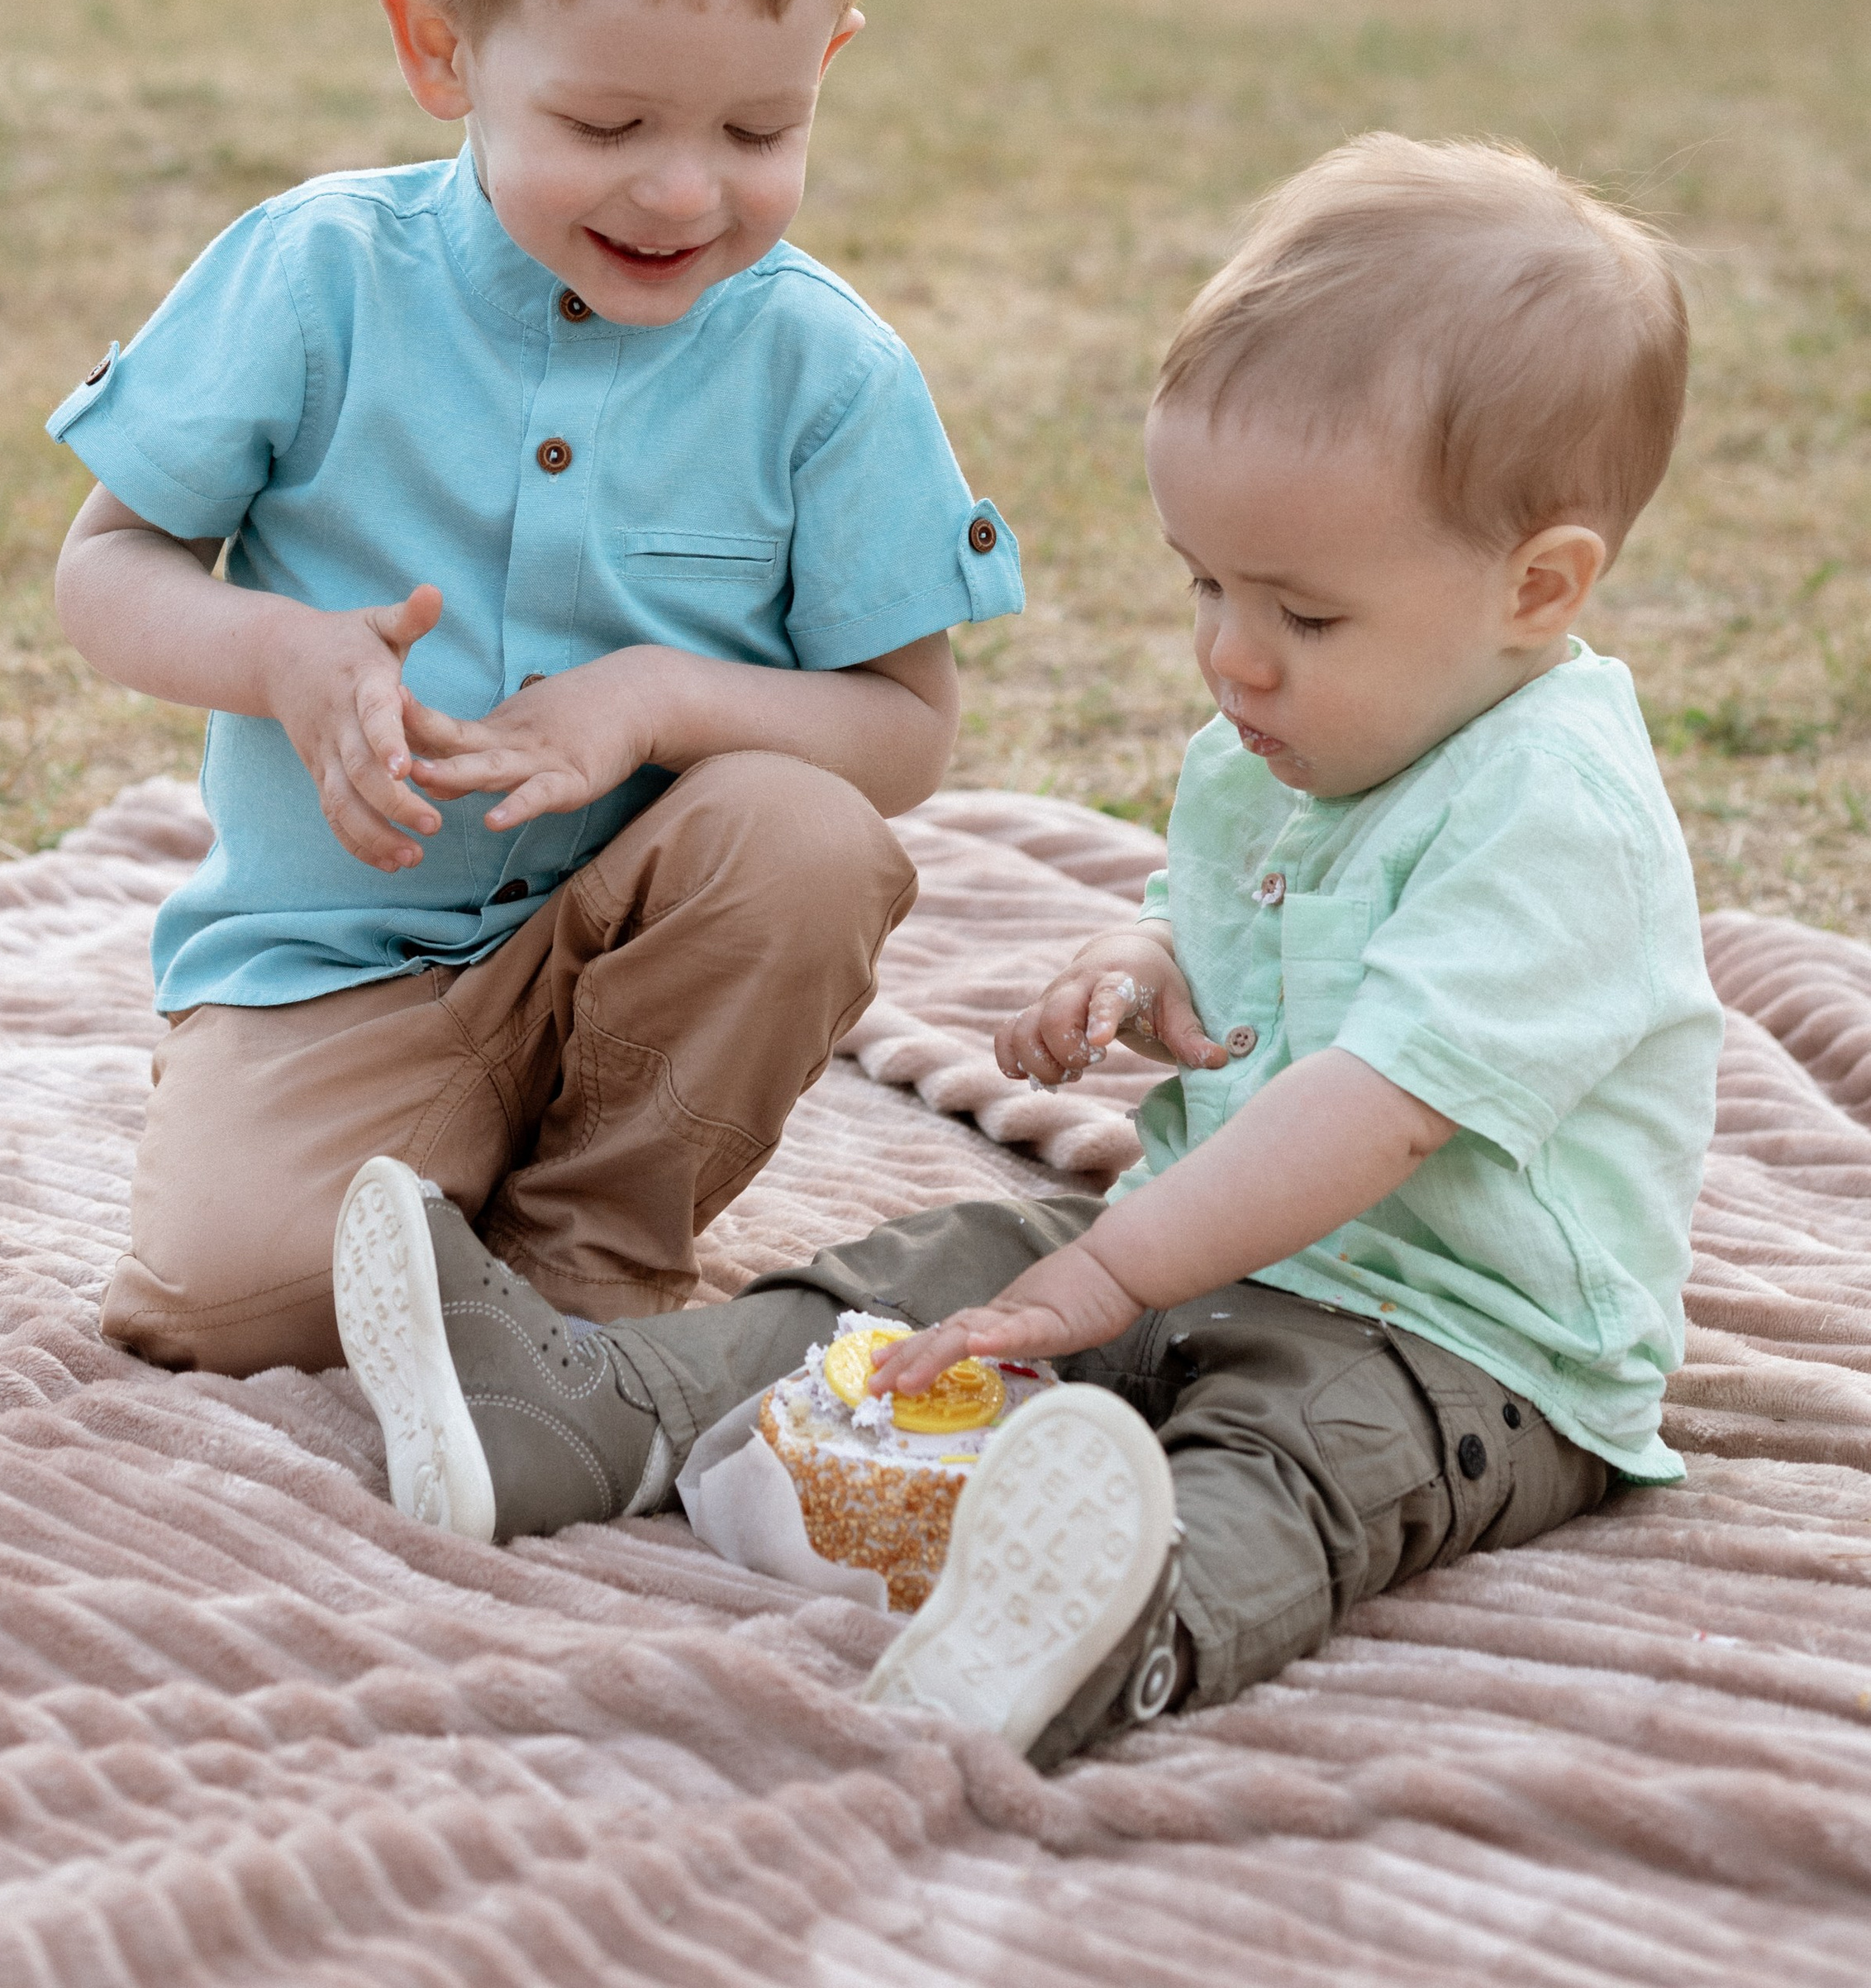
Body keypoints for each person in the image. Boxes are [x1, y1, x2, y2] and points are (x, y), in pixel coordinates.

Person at [332, 134, 1722, 1766]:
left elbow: (1377, 1103)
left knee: (1294, 1458)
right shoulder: (1290, 744)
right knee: (932, 1274)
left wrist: (1112, 1275)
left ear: (1536, 588)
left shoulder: (1555, 811)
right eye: (1201, 584)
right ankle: (579, 1412)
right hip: (1212, 1247)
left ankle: (1113, 1623)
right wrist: (1136, 965)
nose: (1229, 657)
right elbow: (1259, 963)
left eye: (1300, 613)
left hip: (1459, 1345)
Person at [48, 0, 1021, 1382]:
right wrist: (281, 654)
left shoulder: (826, 371)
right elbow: (104, 569)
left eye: (753, 132)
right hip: (336, 967)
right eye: (605, 123)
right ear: (443, 55)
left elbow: (899, 735)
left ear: (828, 68)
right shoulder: (311, 275)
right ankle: (423, 1167)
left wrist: (658, 696)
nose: (679, 191)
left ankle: (592, 1247)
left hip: (658, 959)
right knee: (225, 1308)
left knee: (805, 839)